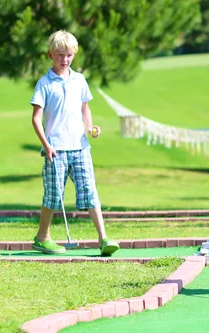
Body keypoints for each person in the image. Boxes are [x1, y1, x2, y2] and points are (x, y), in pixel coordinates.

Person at [30, 30, 119, 256]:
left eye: (69, 55)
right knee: (53, 195)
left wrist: (90, 128)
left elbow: (84, 109)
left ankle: (103, 238)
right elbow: (36, 119)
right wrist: (46, 145)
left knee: (89, 189)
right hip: (55, 149)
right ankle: (42, 237)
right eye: (60, 54)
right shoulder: (44, 83)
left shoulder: (79, 80)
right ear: (51, 54)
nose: (65, 59)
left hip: (80, 147)